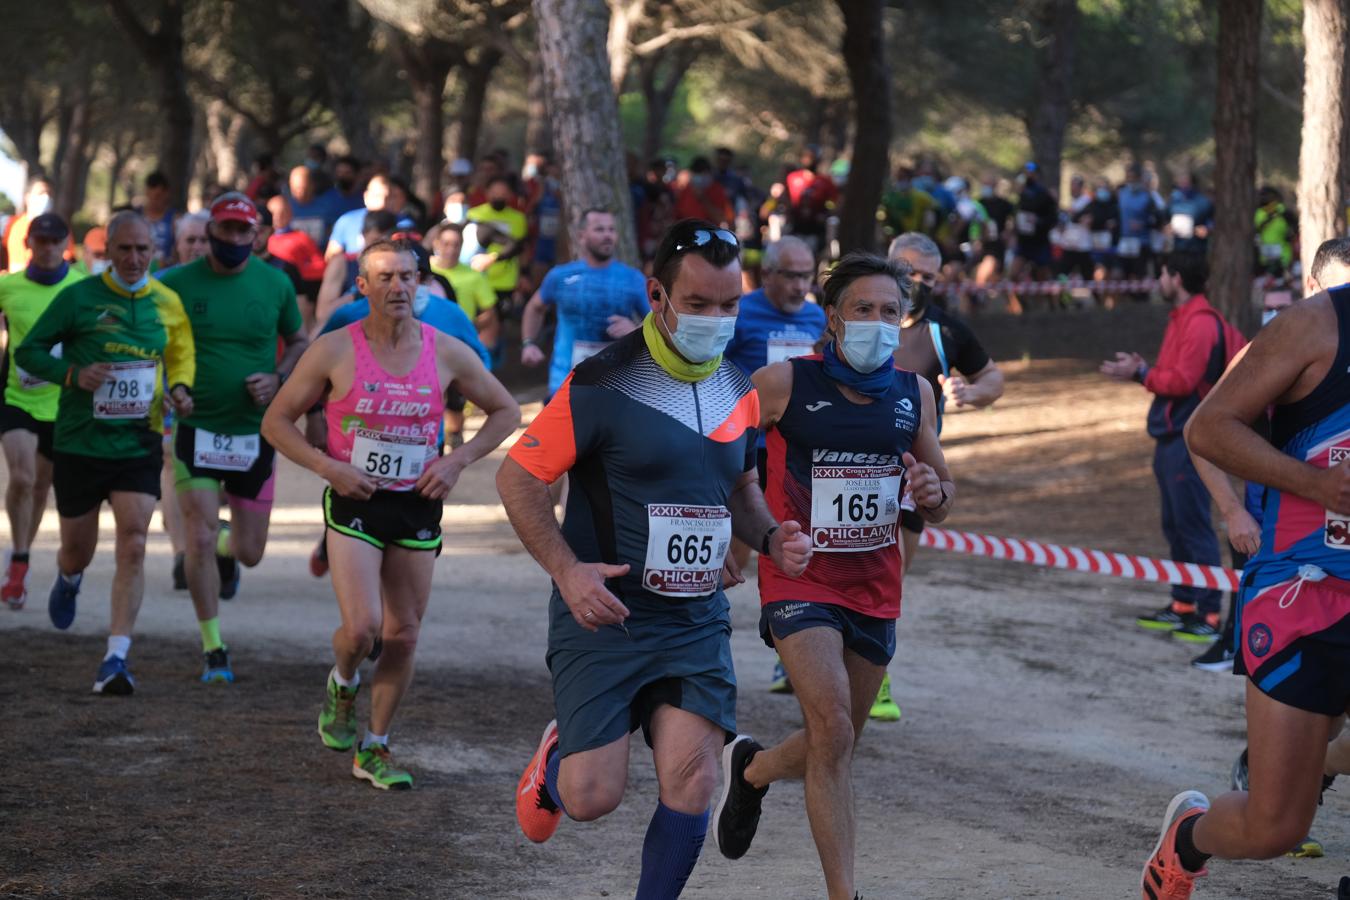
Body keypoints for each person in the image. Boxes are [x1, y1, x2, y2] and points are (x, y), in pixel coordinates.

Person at [500, 219, 811, 898]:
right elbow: (518, 478)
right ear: (657, 295)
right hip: (605, 616)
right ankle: (557, 761)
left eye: (729, 305)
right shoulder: (600, 384)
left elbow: (741, 487)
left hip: (693, 620)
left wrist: (767, 538)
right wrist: (566, 570)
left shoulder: (738, 387)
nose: (716, 319)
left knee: (695, 779)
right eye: (698, 305)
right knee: (590, 797)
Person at [713, 252, 953, 900]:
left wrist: (932, 490)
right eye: (863, 309)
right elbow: (721, 460)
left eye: (890, 312)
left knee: (836, 741)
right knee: (836, 727)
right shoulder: (783, 382)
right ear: (833, 318)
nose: (878, 322)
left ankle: (754, 771)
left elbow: (939, 490)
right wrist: (746, 536)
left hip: (876, 584)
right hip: (800, 576)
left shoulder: (915, 393)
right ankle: (845, 893)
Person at [262, 238, 519, 789]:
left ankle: (374, 747)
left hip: (418, 504)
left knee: (403, 635)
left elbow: (505, 410)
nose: (399, 287)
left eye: (408, 276)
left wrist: (456, 462)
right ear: (363, 286)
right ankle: (343, 679)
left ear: (421, 282)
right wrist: (328, 468)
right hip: (356, 499)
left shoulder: (445, 349)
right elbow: (277, 421)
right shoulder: (334, 349)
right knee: (363, 629)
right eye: (385, 278)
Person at [1137, 240, 1350, 900]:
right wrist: (1315, 487)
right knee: (1275, 827)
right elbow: (1209, 429)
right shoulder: (1315, 326)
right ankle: (1189, 839)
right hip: (1305, 593)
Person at [15, 210, 194, 694]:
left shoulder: (167, 302)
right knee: (78, 550)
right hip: (79, 441)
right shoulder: (77, 298)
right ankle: (69, 578)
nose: (134, 259)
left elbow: (179, 353)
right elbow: (27, 353)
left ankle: (115, 658)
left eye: (143, 250)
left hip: (138, 440)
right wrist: (74, 375)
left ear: (154, 252)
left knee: (134, 541)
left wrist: (179, 387)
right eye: (124, 249)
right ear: (106, 252)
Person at [157, 193, 306, 683]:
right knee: (197, 537)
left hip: (253, 431)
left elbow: (299, 341)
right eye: (226, 230)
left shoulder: (275, 284)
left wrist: (278, 377)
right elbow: (147, 340)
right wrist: (169, 388)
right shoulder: (174, 284)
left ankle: (225, 540)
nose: (235, 239)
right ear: (212, 232)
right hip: (195, 427)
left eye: (244, 231)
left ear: (255, 235)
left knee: (249, 551)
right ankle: (213, 647)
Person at [1100, 252, 1242, 643]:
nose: (1157, 280)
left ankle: (1210, 614)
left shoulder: (1199, 323)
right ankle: (1183, 603)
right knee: (1175, 524)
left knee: (1193, 525)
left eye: (1161, 273)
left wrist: (1141, 373)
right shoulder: (1182, 318)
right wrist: (1142, 372)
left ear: (1175, 277)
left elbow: (1182, 382)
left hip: (1190, 441)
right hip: (1172, 438)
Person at [723, 236, 826, 692]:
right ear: (768, 275)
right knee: (733, 551)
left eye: (807, 275)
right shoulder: (741, 313)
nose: (801, 285)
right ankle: (706, 631)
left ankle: (794, 653)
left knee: (792, 550)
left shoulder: (817, 318)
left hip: (797, 455)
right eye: (791, 275)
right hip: (745, 451)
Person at [0, 214, 85, 608]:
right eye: (42, 240)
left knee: (39, 487)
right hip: (16, 397)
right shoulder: (8, 286)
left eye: (56, 241)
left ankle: (22, 557)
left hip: (62, 402)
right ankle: (18, 558)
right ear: (29, 243)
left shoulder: (82, 285)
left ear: (65, 243)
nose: (49, 248)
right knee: (21, 475)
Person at [519, 208, 648, 400]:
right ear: (581, 236)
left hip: (617, 385)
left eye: (611, 230)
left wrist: (636, 330)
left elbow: (660, 324)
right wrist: (528, 343)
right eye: (599, 229)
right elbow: (535, 307)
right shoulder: (560, 276)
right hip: (565, 383)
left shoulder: (633, 278)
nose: (607, 235)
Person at [429, 222, 499, 360]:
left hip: (460, 344)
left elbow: (489, 312)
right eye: (446, 244)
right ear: (436, 244)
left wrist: (469, 327)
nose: (451, 250)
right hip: (428, 341)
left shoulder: (474, 276)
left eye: (456, 245)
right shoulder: (425, 271)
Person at [466, 176, 529, 313]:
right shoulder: (474, 214)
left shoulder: (518, 219)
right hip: (477, 277)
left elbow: (521, 249)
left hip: (505, 281)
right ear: (487, 193)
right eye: (495, 192)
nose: (498, 196)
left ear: (510, 195)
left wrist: (524, 275)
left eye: (503, 193)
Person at [3, 178, 73, 273]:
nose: (46, 198)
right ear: (27, 198)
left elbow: (68, 262)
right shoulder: (18, 227)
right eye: (40, 193)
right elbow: (17, 269)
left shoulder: (61, 228)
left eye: (49, 194)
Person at [326, 173, 397, 261]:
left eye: (388, 197)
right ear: (366, 196)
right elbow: (331, 257)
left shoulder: (404, 224)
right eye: (377, 196)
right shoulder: (347, 220)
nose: (382, 202)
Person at [674, 157, 734, 227]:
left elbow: (723, 218)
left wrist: (703, 199)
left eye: (702, 172)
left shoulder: (717, 190)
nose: (699, 177)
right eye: (696, 172)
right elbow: (678, 213)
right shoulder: (687, 188)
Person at [1168, 171, 1214, 256]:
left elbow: (1213, 220)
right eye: (1181, 182)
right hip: (1178, 248)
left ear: (1193, 183)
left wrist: (1207, 229)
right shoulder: (1174, 200)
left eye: (1186, 182)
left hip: (1197, 250)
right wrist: (1168, 227)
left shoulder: (1203, 202)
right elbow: (1165, 218)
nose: (1183, 185)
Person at [139, 171, 178, 264]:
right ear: (146, 192)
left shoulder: (175, 219)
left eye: (160, 196)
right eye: (154, 196)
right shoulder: (135, 216)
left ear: (167, 194)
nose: (156, 200)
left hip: (165, 272)